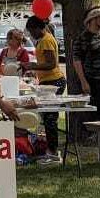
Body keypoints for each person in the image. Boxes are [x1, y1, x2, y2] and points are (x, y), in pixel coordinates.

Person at [23, 15, 67, 162]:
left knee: (50, 118)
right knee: (48, 117)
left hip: (54, 82)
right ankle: (50, 150)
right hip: (47, 82)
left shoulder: (47, 40)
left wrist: (33, 66)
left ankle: (53, 152)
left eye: (31, 31)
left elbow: (51, 64)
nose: (31, 35)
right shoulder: (43, 40)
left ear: (37, 28)